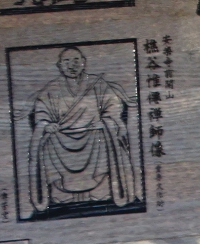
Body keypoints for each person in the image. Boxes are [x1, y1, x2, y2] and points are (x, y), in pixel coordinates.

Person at [26, 46, 139, 215]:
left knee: (104, 142)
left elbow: (113, 104)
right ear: (59, 65)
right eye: (66, 61)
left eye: (76, 60)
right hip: (61, 138)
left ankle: (100, 194)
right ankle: (63, 197)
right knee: (49, 144)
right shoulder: (51, 89)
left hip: (94, 134)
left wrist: (106, 120)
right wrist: (46, 124)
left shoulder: (97, 84)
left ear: (84, 63)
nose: (71, 65)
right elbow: (42, 111)